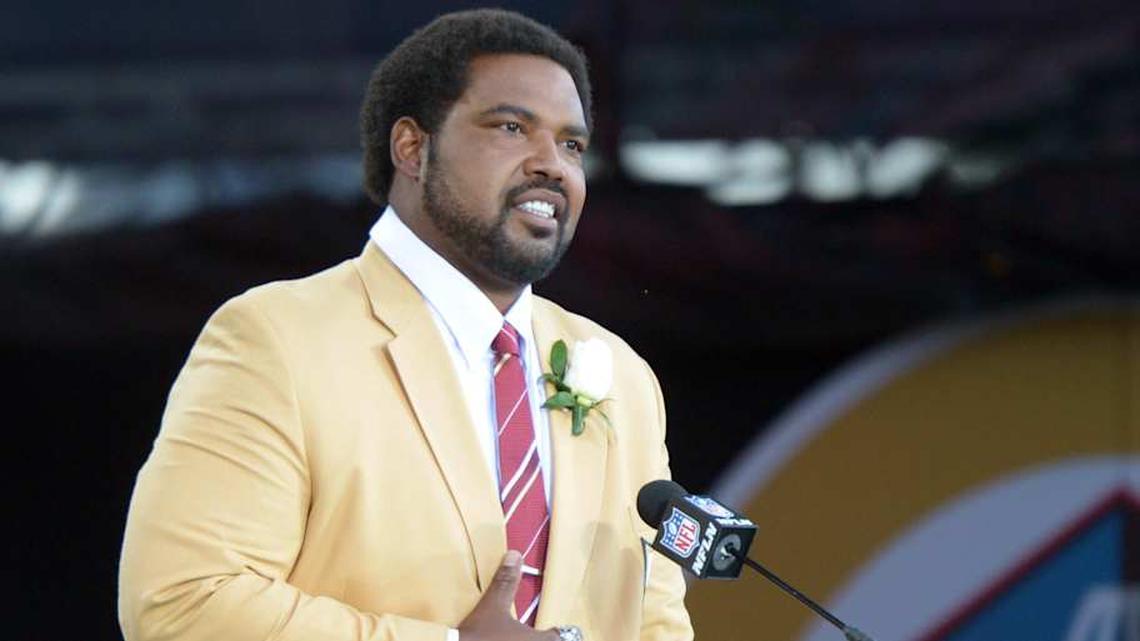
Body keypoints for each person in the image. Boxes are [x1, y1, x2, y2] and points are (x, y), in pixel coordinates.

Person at [118, 9, 692, 641]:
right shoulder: (276, 339)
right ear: (413, 149)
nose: (551, 164)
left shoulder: (618, 373)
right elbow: (181, 604)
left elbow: (654, 623)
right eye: (511, 127)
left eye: (572, 144)